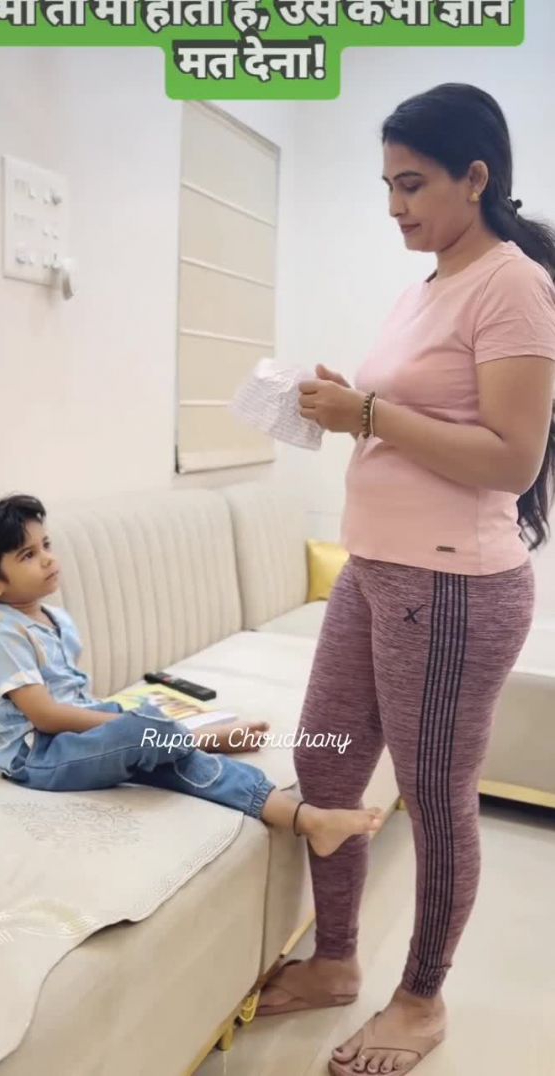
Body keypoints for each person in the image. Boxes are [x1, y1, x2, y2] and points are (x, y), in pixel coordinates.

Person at [258, 83, 555, 1076]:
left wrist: (370, 415)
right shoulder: (429, 284)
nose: (394, 206)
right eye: (386, 185)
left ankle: (421, 999)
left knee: (434, 795)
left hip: (453, 588)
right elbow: (414, 417)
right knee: (327, 762)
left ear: (476, 177)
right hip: (375, 568)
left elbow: (513, 458)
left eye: (413, 184)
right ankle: (337, 959)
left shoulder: (511, 284)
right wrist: (347, 405)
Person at [0, 495, 383, 859]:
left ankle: (304, 818)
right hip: (35, 757)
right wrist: (126, 725)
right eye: (28, 555)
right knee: (141, 730)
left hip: (73, 735)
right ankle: (198, 737)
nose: (48, 558)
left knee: (172, 754)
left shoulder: (54, 618)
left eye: (45, 544)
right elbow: (45, 716)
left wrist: (131, 723)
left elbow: (78, 700)